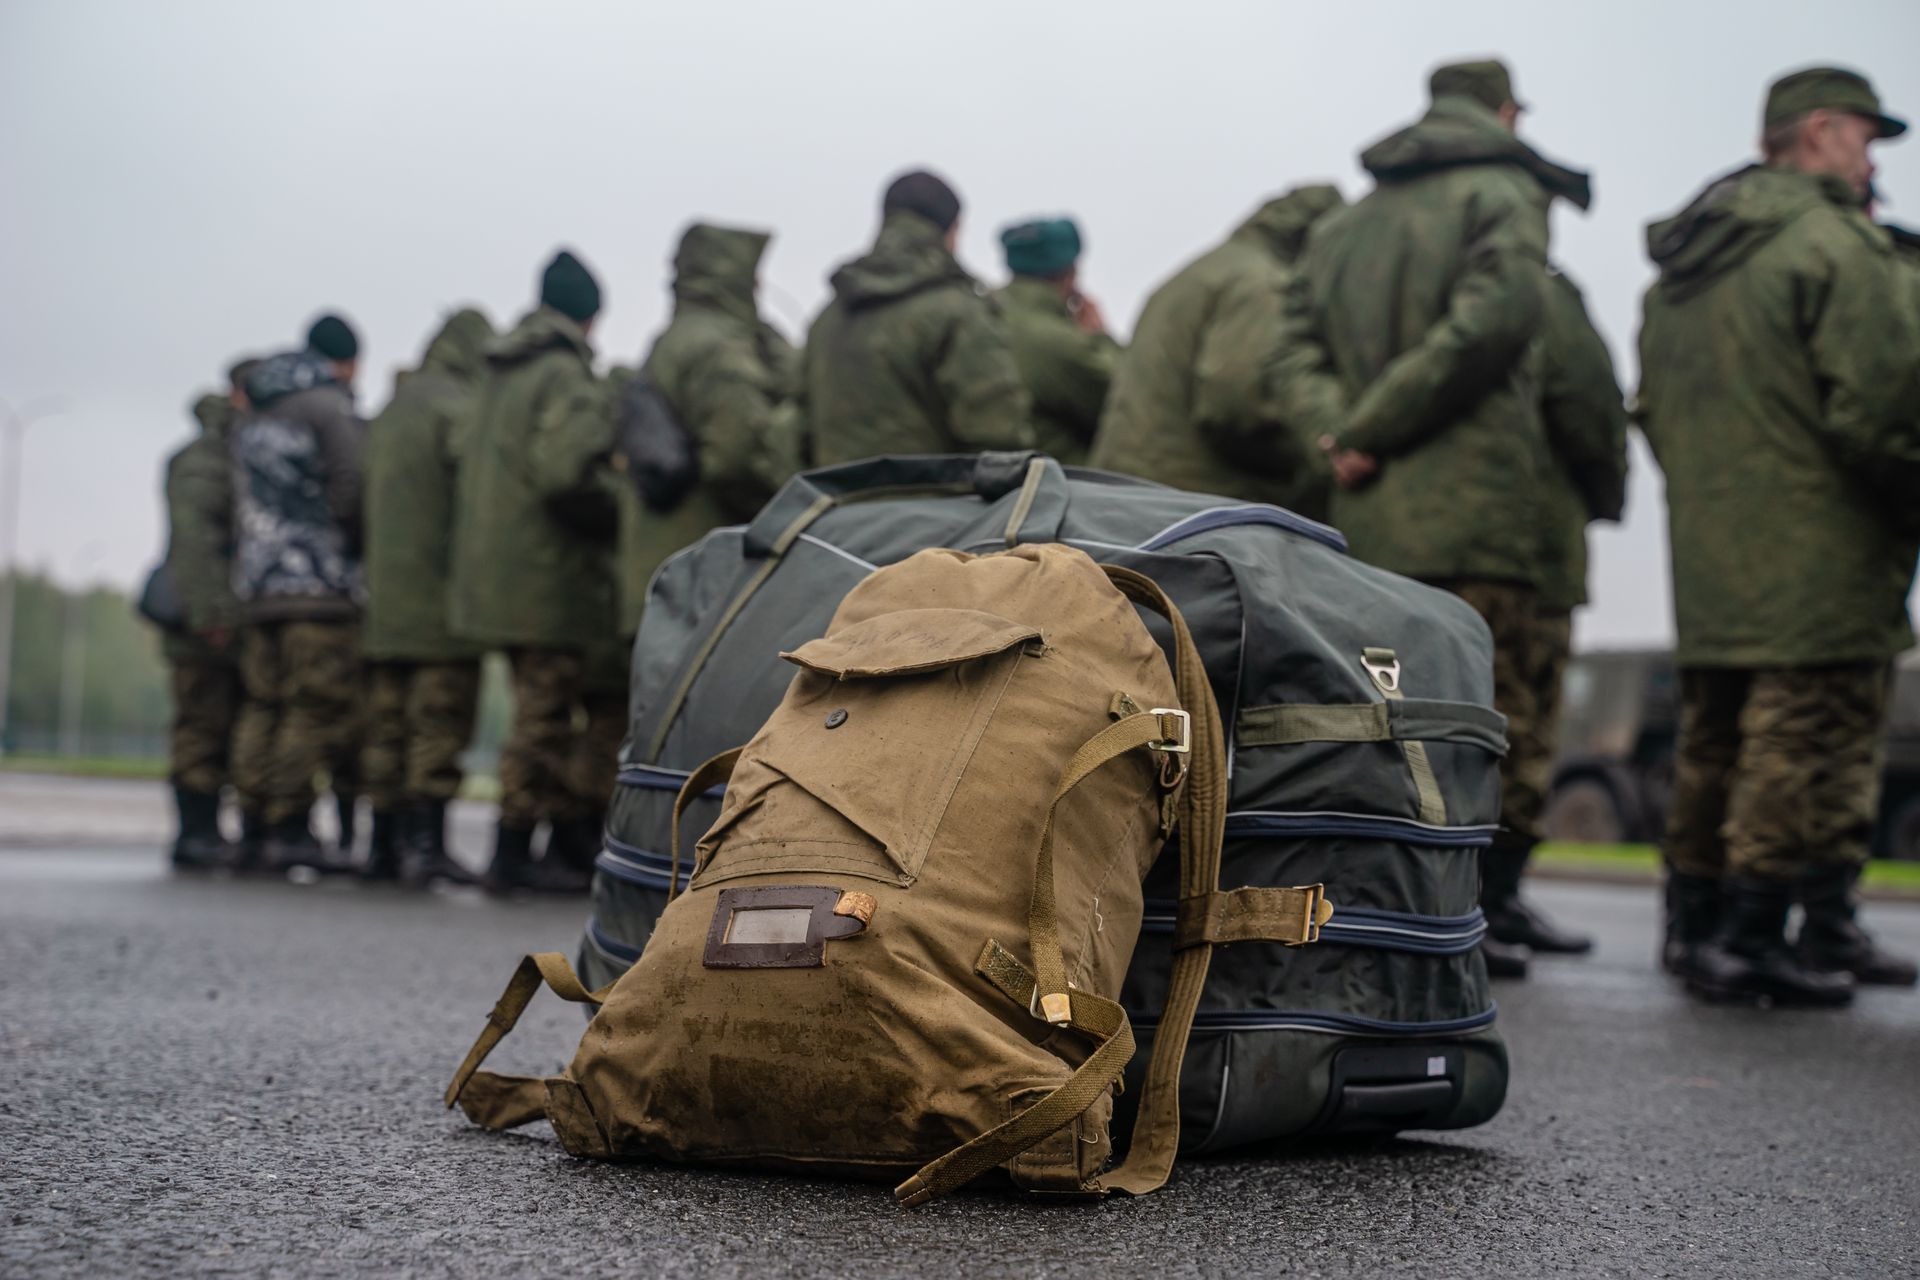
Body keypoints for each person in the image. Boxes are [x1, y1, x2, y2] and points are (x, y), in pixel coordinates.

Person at [1273, 59, 1594, 978]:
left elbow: (1288, 342)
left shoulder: (1340, 228)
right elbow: (1493, 320)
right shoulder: (1506, 193)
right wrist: (1374, 423)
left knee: (1386, 720)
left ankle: (1386, 916)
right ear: (1503, 112)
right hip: (1481, 517)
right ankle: (1474, 919)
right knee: (1497, 722)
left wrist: (1339, 432)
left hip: (1369, 524)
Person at [1639, 66, 1920, 1005]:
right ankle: (1761, 939)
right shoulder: (1830, 242)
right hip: (1822, 541)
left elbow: (1657, 411)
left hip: (1716, 542)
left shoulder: (1688, 263)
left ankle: (1700, 930)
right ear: (1821, 130)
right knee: (1810, 738)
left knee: (1718, 739)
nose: (1869, 156)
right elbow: (1885, 408)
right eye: (1864, 137)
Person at [449, 250, 615, 894]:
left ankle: (537, 846)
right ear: (589, 317)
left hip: (498, 572)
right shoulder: (563, 374)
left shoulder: (498, 373)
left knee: (533, 707)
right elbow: (565, 474)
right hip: (549, 571)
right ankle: (513, 854)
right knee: (543, 716)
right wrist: (616, 504)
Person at [1089, 184, 1344, 519]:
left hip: (1124, 489)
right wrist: (1319, 454)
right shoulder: (1262, 284)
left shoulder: (1199, 271)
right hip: (1189, 502)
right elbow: (1233, 404)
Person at [1510, 265, 1629, 936]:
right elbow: (1591, 407)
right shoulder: (1537, 291)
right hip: (1528, 543)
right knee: (1521, 723)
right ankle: (1494, 900)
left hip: (1403, 548)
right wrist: (1605, 493)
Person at [359, 307, 495, 886]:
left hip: (384, 601)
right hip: (439, 599)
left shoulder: (390, 411)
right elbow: (477, 496)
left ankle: (383, 849)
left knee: (387, 725)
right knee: (436, 723)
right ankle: (425, 848)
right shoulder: (456, 408)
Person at [615, 221, 804, 638]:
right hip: (707, 584)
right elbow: (738, 458)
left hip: (670, 575)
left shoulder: (673, 338)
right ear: (735, 279)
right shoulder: (718, 350)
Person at [229, 314, 367, 872]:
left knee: (262, 704)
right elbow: (351, 488)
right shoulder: (327, 407)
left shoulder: (256, 407)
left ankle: (254, 824)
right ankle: (291, 826)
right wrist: (349, 550)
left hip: (258, 584)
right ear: (344, 361)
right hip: (316, 586)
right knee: (310, 707)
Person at [804, 169, 1033, 463]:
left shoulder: (828, 316)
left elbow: (796, 429)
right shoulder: (958, 312)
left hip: (838, 504)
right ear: (952, 231)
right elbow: (999, 438)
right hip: (934, 506)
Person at [155, 361, 254, 868]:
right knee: (201, 726)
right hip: (204, 623)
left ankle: (211, 833)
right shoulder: (205, 459)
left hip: (228, 618)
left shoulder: (237, 451)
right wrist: (213, 614)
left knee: (227, 726)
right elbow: (195, 544)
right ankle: (194, 835)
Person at [993, 217, 1119, 466]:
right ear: (1070, 274)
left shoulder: (983, 313)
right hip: (1056, 489)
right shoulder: (1058, 342)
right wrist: (1100, 338)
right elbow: (1127, 399)